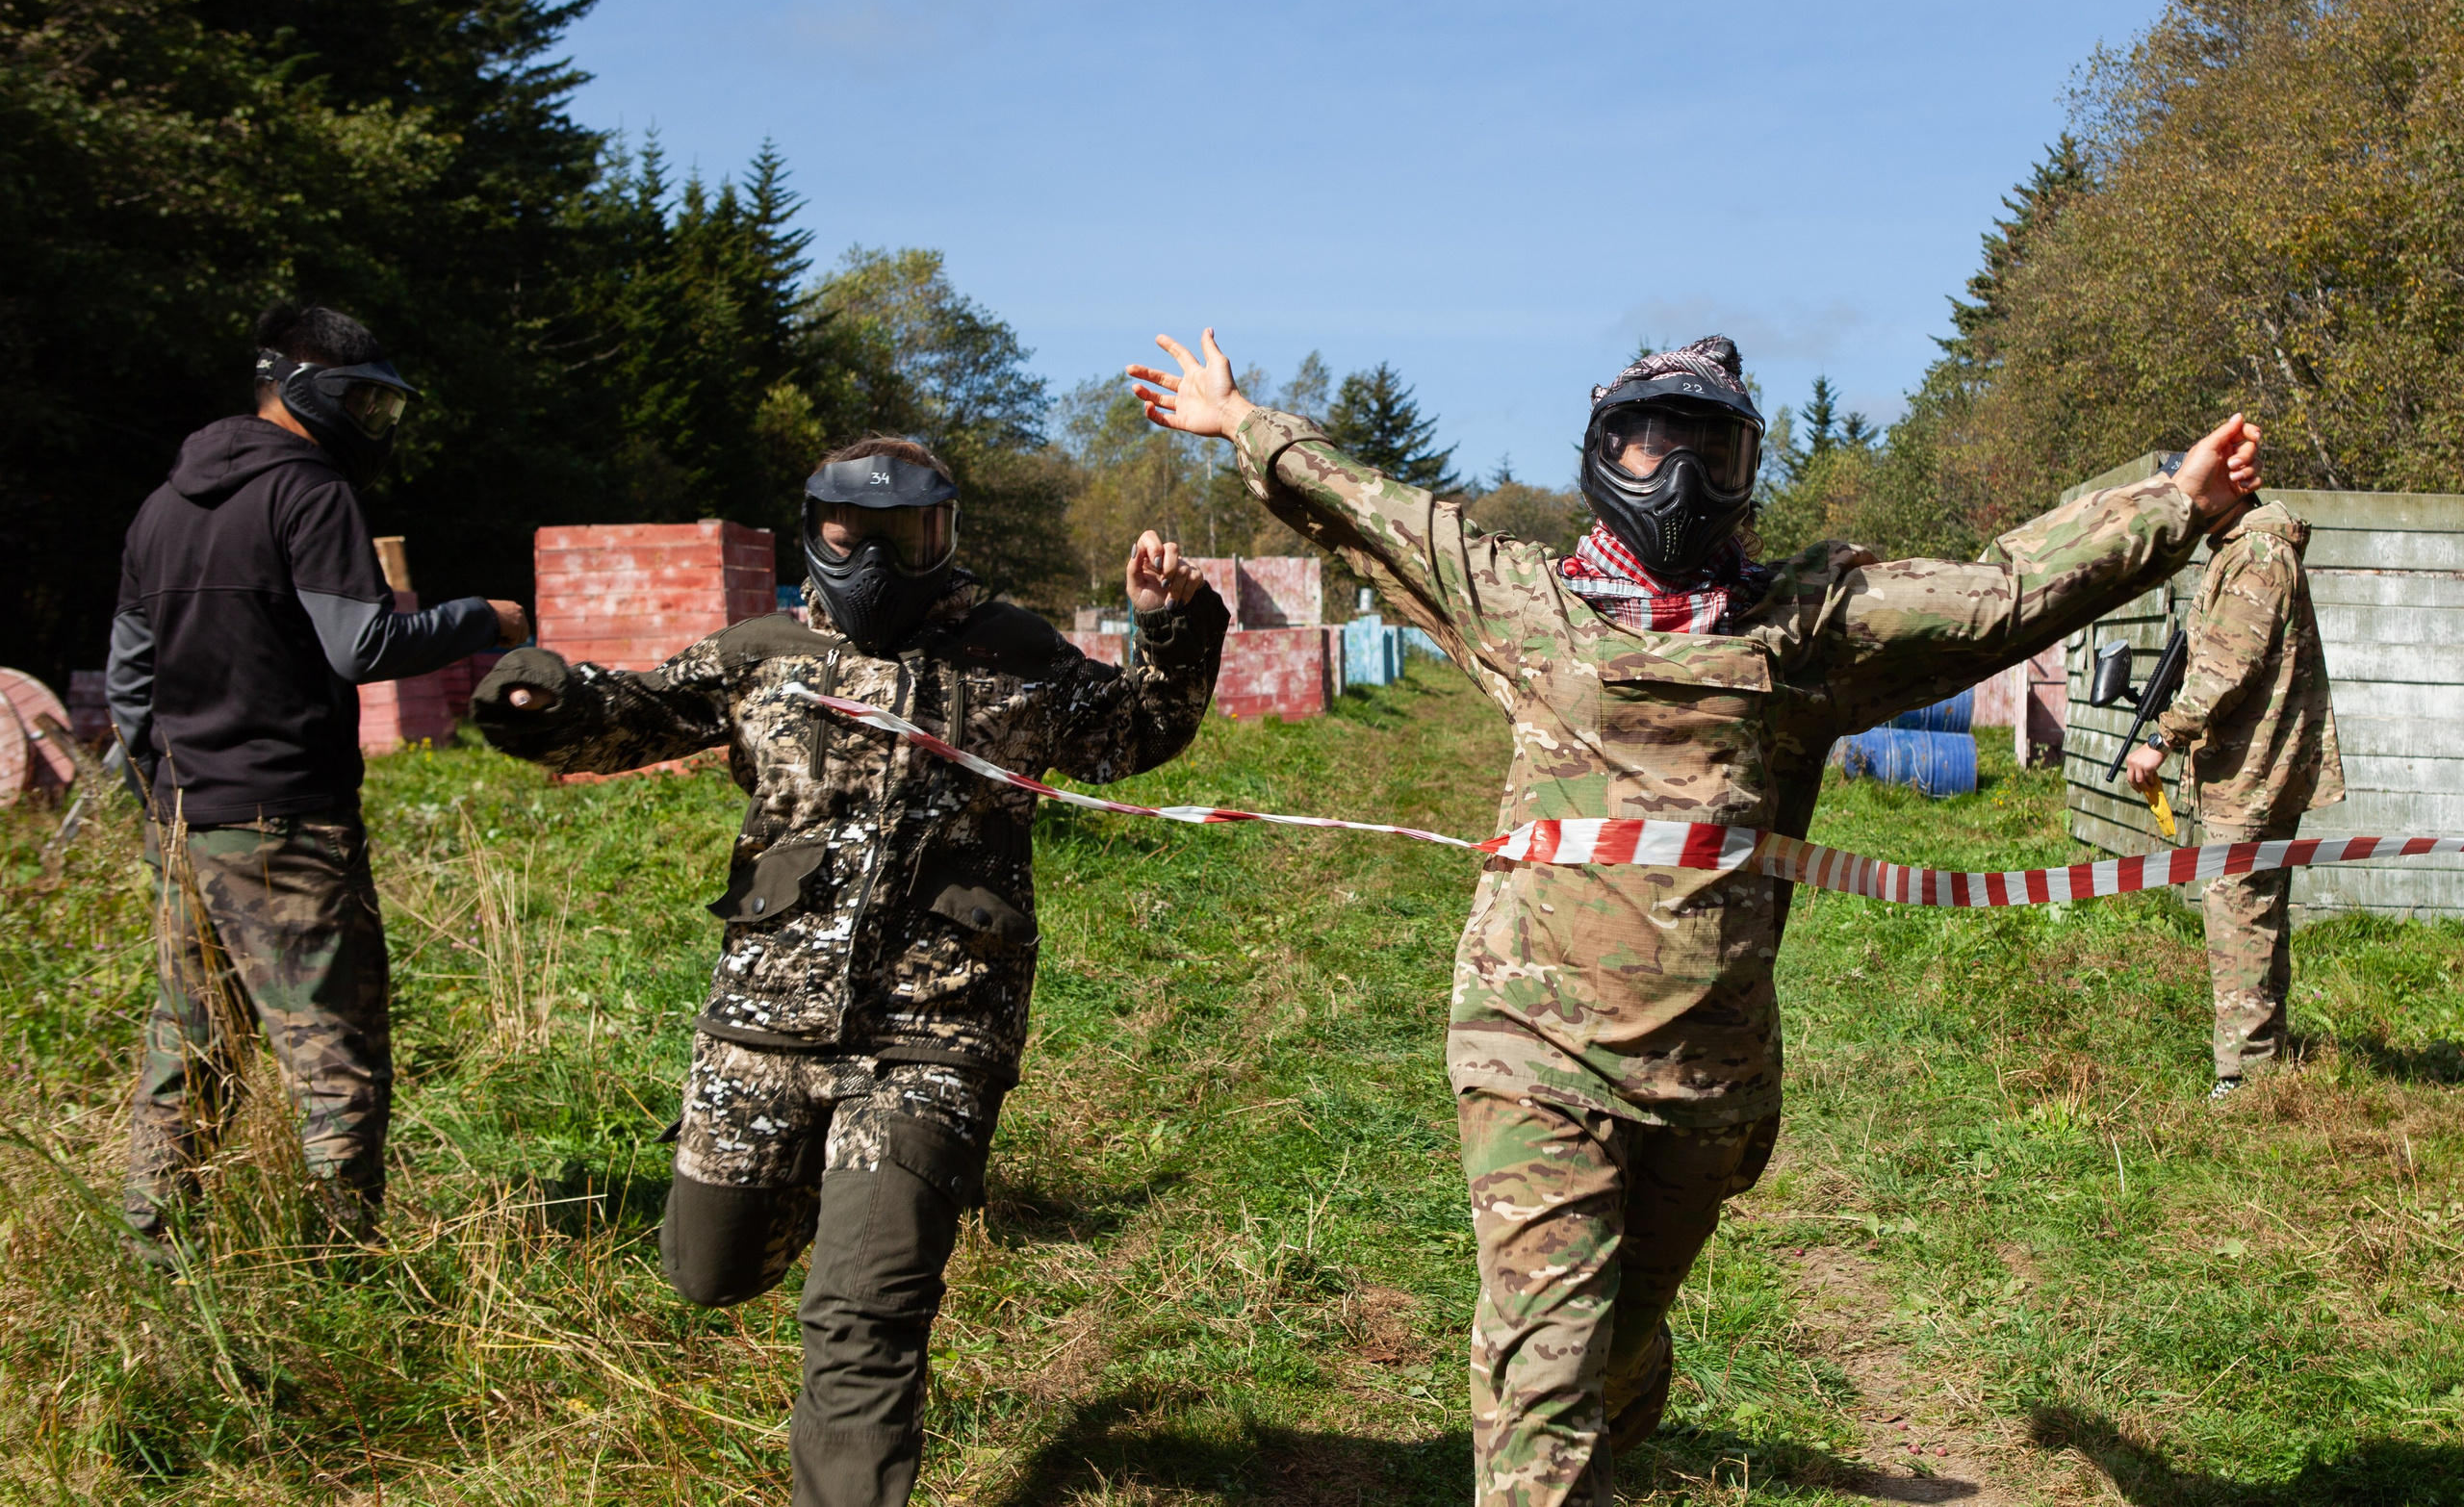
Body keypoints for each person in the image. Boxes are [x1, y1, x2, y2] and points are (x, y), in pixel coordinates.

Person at [1129, 328, 2263, 1507]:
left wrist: (2174, 505)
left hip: (1707, 1071)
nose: (1675, 476)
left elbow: (2004, 596)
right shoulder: (1526, 603)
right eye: (1647, 443)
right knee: (1542, 1388)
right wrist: (1241, 420)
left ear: (1746, 471)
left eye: (1709, 452)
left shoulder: (1811, 627)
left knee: (1616, 1346)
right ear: (1600, 454)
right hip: (1532, 1051)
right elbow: (1372, 512)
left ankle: (1621, 1375)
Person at [471, 437, 1227, 1507]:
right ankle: (832, 1201)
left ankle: (871, 1236)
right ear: (814, 529)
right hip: (764, 1018)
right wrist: (538, 697)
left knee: (865, 1316)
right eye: (850, 532)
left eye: (904, 533)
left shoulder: (1010, 648)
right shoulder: (765, 650)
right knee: (707, 1268)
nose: (875, 558)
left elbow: (1132, 733)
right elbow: (631, 714)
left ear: (944, 531)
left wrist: (1169, 626)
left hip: (936, 1026)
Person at [109, 300, 530, 1254]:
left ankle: (156, 1247)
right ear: (307, 390)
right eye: (364, 404)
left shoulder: (162, 506)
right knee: (334, 1048)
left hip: (185, 818)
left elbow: (130, 682)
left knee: (190, 1039)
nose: (372, 426)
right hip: (287, 818)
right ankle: (343, 1261)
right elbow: (363, 644)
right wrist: (484, 618)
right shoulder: (311, 493)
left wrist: (162, 800)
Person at [2123, 473, 2340, 1102]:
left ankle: (2244, 1079)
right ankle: (2263, 1062)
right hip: (2245, 768)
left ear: (2228, 491)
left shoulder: (2258, 555)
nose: (2186, 504)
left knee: (2238, 911)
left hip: (2254, 771)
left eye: (2195, 491)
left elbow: (2227, 667)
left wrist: (2162, 737)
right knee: (2250, 908)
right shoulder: (2239, 550)